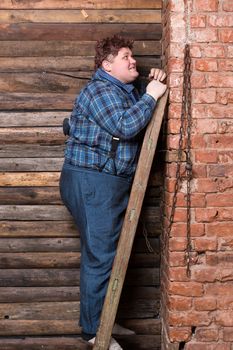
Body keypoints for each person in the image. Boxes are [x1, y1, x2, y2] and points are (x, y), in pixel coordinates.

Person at [59, 34, 167, 350]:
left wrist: (152, 86)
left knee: (107, 254)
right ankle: (94, 330)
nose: (132, 60)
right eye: (125, 56)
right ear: (107, 65)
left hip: (106, 183)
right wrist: (151, 96)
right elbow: (125, 126)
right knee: (100, 255)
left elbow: (139, 115)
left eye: (132, 55)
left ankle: (103, 316)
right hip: (93, 182)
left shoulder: (122, 91)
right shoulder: (100, 91)